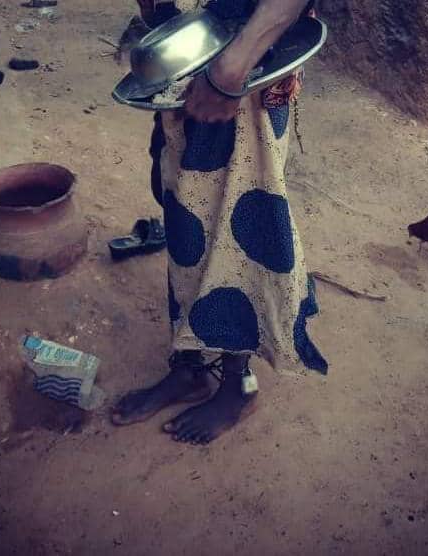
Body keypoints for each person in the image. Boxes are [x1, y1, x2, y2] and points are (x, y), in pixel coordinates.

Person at [111, 0, 327, 444]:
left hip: (244, 65)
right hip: (188, 58)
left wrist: (230, 72)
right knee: (186, 221)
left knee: (238, 229)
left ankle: (238, 385)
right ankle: (189, 367)